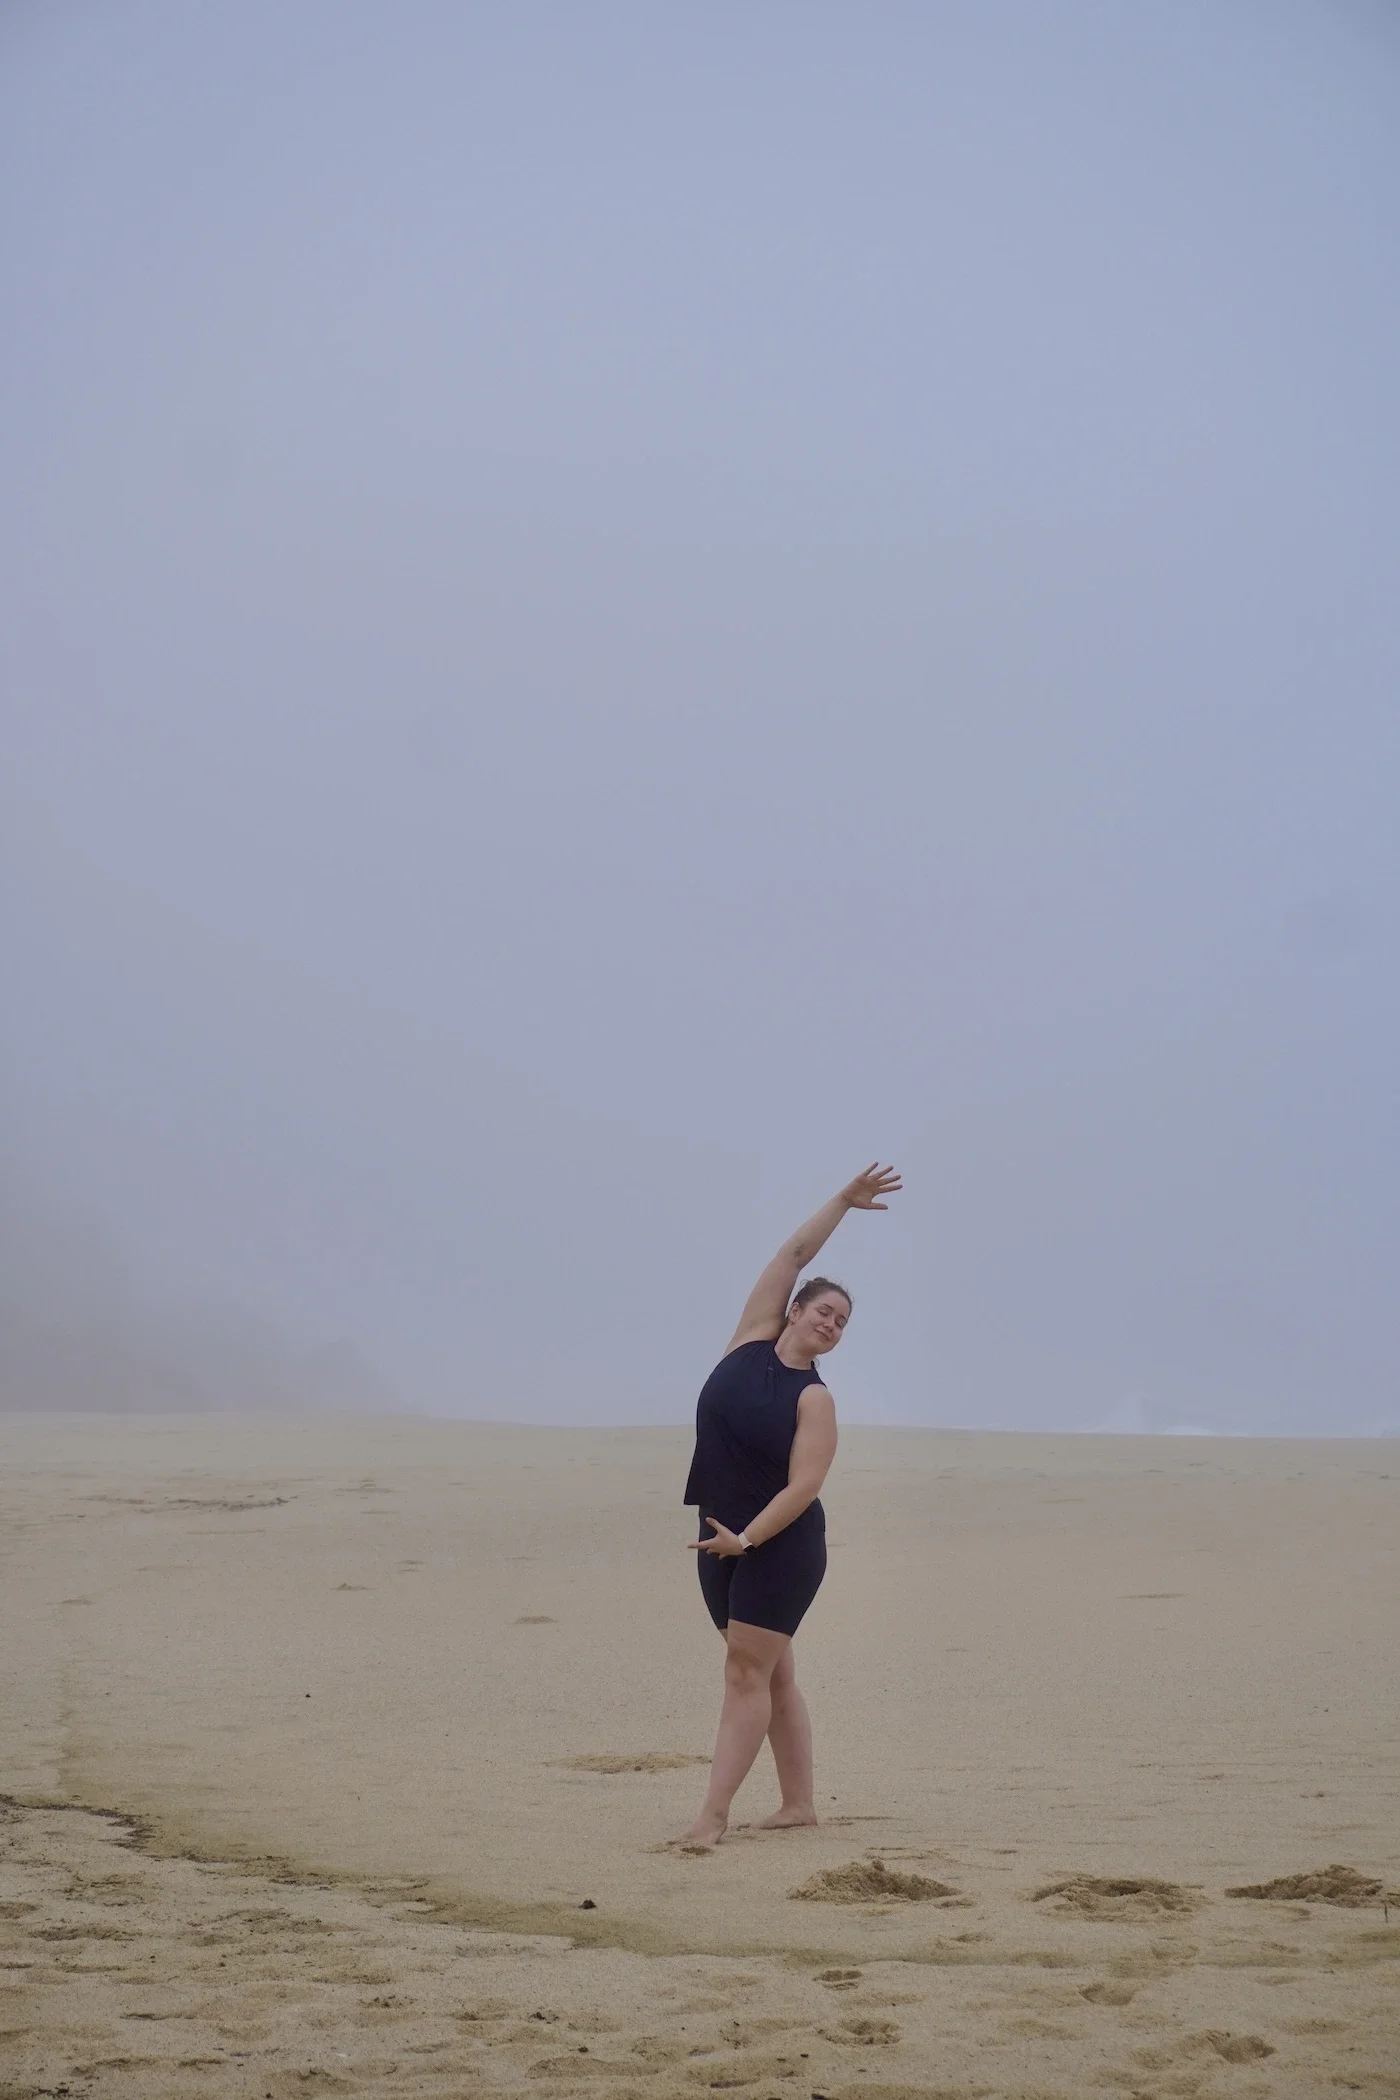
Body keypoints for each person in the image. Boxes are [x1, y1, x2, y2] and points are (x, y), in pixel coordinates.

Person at [676, 1163, 902, 1846]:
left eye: (842, 1322)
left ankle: (711, 1819)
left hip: (779, 1544)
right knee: (771, 1674)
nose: (832, 1324)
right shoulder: (748, 1338)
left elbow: (803, 1488)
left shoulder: (816, 1399)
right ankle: (799, 1804)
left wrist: (746, 1541)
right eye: (824, 1311)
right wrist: (842, 1201)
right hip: (715, 1537)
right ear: (796, 1310)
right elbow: (793, 1254)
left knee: (745, 1672)